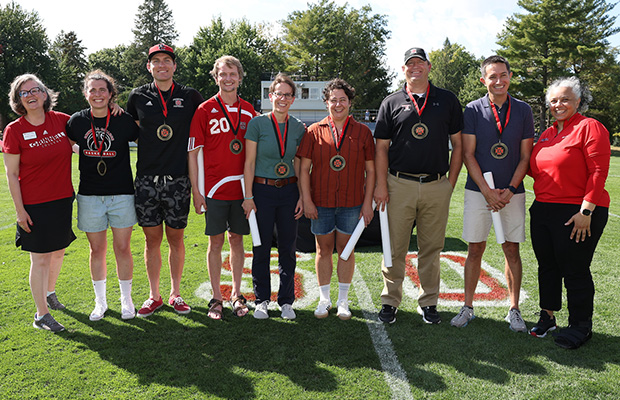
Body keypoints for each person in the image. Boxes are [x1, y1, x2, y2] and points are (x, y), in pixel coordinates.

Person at [374, 47, 463, 324]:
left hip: (437, 184)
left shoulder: (447, 100)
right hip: (399, 182)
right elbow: (381, 149)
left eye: (420, 63)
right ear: (403, 69)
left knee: (431, 247)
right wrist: (380, 185)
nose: (415, 68)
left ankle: (429, 302)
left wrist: (451, 182)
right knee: (394, 246)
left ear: (429, 66)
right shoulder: (391, 101)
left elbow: (458, 145)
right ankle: (390, 301)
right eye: (410, 64)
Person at [450, 56, 534, 332]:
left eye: (503, 75)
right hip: (478, 191)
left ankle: (514, 309)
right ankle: (468, 306)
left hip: (513, 192)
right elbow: (468, 154)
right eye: (492, 76)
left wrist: (509, 190)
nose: (498, 81)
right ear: (483, 79)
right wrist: (487, 192)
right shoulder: (473, 109)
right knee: (475, 248)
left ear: (510, 75)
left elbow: (525, 156)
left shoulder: (523, 110)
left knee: (512, 249)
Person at [528, 76, 610, 349]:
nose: (558, 104)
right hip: (543, 208)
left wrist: (586, 211)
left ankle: (580, 325)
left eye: (565, 99)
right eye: (553, 100)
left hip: (578, 211)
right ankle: (548, 316)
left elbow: (598, 172)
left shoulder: (590, 127)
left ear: (578, 101)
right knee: (547, 266)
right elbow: (536, 168)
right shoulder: (548, 133)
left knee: (574, 269)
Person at [126, 44, 204, 317]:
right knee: (151, 241)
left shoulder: (190, 96)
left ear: (174, 66)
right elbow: (131, 130)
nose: (161, 65)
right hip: (146, 180)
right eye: (156, 61)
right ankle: (153, 295)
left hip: (178, 180)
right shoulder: (137, 96)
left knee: (176, 239)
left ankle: (176, 293)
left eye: (166, 60)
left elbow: (202, 132)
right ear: (149, 66)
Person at [2, 74, 76, 332]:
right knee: (40, 259)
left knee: (58, 251)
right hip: (34, 205)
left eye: (35, 90)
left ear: (45, 94)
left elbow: (91, 126)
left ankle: (50, 293)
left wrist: (112, 106)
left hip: (63, 199)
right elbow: (11, 174)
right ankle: (41, 315)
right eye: (24, 93)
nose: (31, 95)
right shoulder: (14, 130)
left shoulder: (63, 121)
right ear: (18, 100)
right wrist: (20, 211)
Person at [297, 78, 375, 320]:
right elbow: (303, 170)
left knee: (346, 251)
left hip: (352, 203)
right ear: (326, 103)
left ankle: (343, 300)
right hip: (321, 202)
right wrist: (307, 200)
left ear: (350, 103)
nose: (338, 104)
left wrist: (367, 203)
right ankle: (324, 299)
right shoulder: (313, 131)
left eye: (343, 100)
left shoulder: (362, 132)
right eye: (334, 100)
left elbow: (371, 171)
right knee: (323, 249)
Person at [66, 70, 139, 321]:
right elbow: (66, 141)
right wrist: (77, 149)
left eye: (102, 90)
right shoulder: (76, 121)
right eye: (92, 90)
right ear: (86, 94)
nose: (97, 94)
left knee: (122, 248)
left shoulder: (123, 119)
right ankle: (100, 302)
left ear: (111, 94)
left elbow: (143, 134)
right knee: (96, 250)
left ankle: (126, 300)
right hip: (89, 195)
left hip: (121, 194)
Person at [188, 56, 257, 319]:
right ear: (215, 78)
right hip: (214, 190)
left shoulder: (250, 110)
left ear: (239, 77)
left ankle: (237, 294)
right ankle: (216, 297)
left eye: (232, 74)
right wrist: (197, 191)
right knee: (215, 242)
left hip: (242, 190)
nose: (228, 78)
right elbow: (193, 154)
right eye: (222, 74)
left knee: (237, 240)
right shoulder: (204, 110)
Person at [242, 73, 305, 320]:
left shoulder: (299, 127)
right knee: (261, 247)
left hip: (289, 191)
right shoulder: (257, 124)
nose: (283, 98)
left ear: (292, 99)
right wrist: (248, 196)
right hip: (262, 191)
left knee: (288, 248)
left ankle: (286, 301)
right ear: (270, 96)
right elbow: (248, 163)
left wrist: (301, 196)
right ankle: (261, 300)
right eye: (278, 94)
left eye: (288, 95)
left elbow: (300, 165)